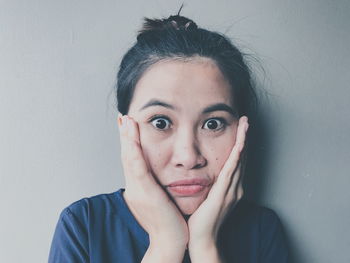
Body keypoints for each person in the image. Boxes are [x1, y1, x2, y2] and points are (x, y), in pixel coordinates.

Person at [48, 11, 288, 263]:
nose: (188, 157)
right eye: (160, 122)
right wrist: (166, 243)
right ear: (126, 130)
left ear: (241, 131)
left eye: (213, 123)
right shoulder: (84, 225)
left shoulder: (261, 229)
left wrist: (205, 246)